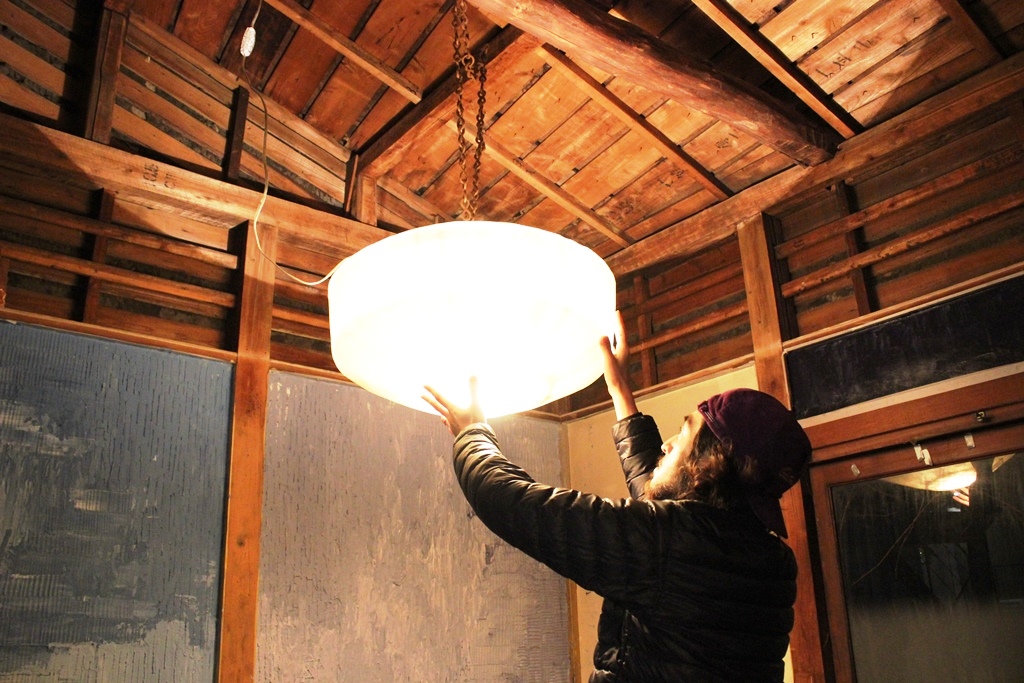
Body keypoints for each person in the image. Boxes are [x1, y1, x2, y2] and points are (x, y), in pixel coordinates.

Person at [422, 314, 812, 682]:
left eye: (684, 433)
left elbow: (510, 502)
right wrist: (620, 391)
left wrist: (473, 432)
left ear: (709, 464)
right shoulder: (771, 563)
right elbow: (663, 516)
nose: (667, 444)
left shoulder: (672, 544)